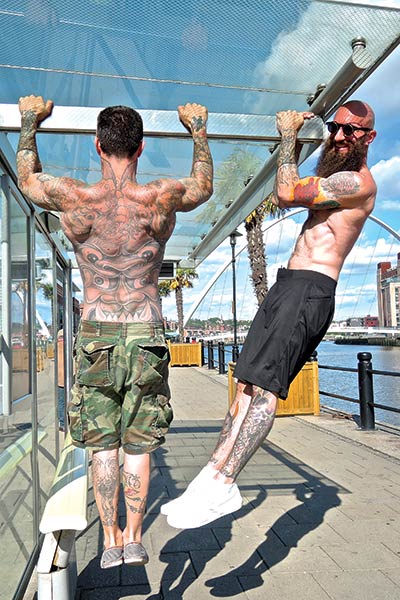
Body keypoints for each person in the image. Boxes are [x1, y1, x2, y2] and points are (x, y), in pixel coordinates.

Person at [16, 95, 213, 567]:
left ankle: (108, 540)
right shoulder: (160, 198)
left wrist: (29, 120)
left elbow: (26, 179)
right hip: (145, 327)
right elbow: (203, 185)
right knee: (139, 442)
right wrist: (197, 127)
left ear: (97, 148)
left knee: (103, 442)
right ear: (140, 148)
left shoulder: (75, 199)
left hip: (97, 330)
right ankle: (135, 536)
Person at [161, 100, 377, 529]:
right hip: (287, 286)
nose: (338, 136)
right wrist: (294, 144)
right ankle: (210, 477)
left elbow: (285, 192)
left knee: (263, 391)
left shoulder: (357, 182)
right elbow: (294, 186)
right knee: (244, 384)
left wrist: (288, 137)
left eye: (350, 131)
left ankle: (225, 482)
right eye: (335, 127)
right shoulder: (336, 175)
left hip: (310, 290)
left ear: (368, 138)